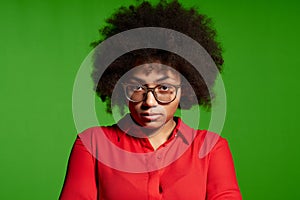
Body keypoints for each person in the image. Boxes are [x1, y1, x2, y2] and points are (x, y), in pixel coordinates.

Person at [60, 0, 242, 199]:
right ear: (118, 86)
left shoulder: (211, 147)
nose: (150, 102)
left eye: (164, 88)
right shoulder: (92, 144)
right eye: (137, 87)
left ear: (186, 88)